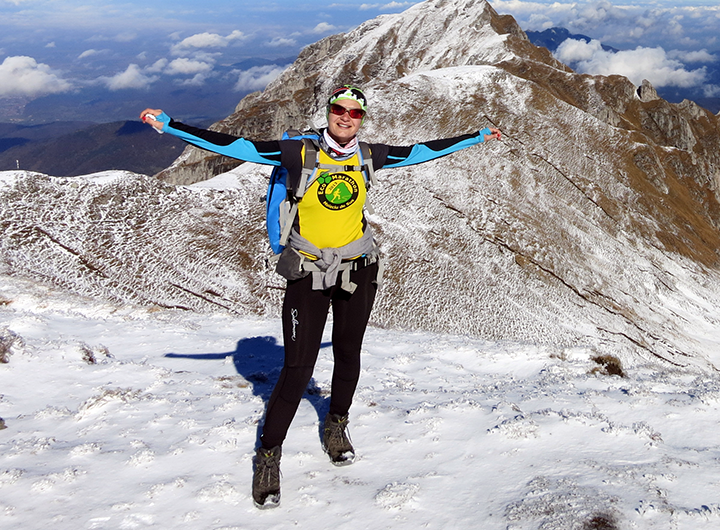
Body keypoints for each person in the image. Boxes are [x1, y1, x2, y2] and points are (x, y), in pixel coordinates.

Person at [140, 85, 500, 508]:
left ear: (362, 119)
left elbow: (421, 151)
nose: (346, 117)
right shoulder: (298, 154)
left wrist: (475, 137)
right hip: (308, 271)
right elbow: (237, 146)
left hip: (358, 269)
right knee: (297, 368)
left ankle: (336, 424)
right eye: (339, 109)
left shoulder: (368, 156)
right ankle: (269, 454)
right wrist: (170, 126)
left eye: (354, 113)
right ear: (328, 112)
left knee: (348, 353)